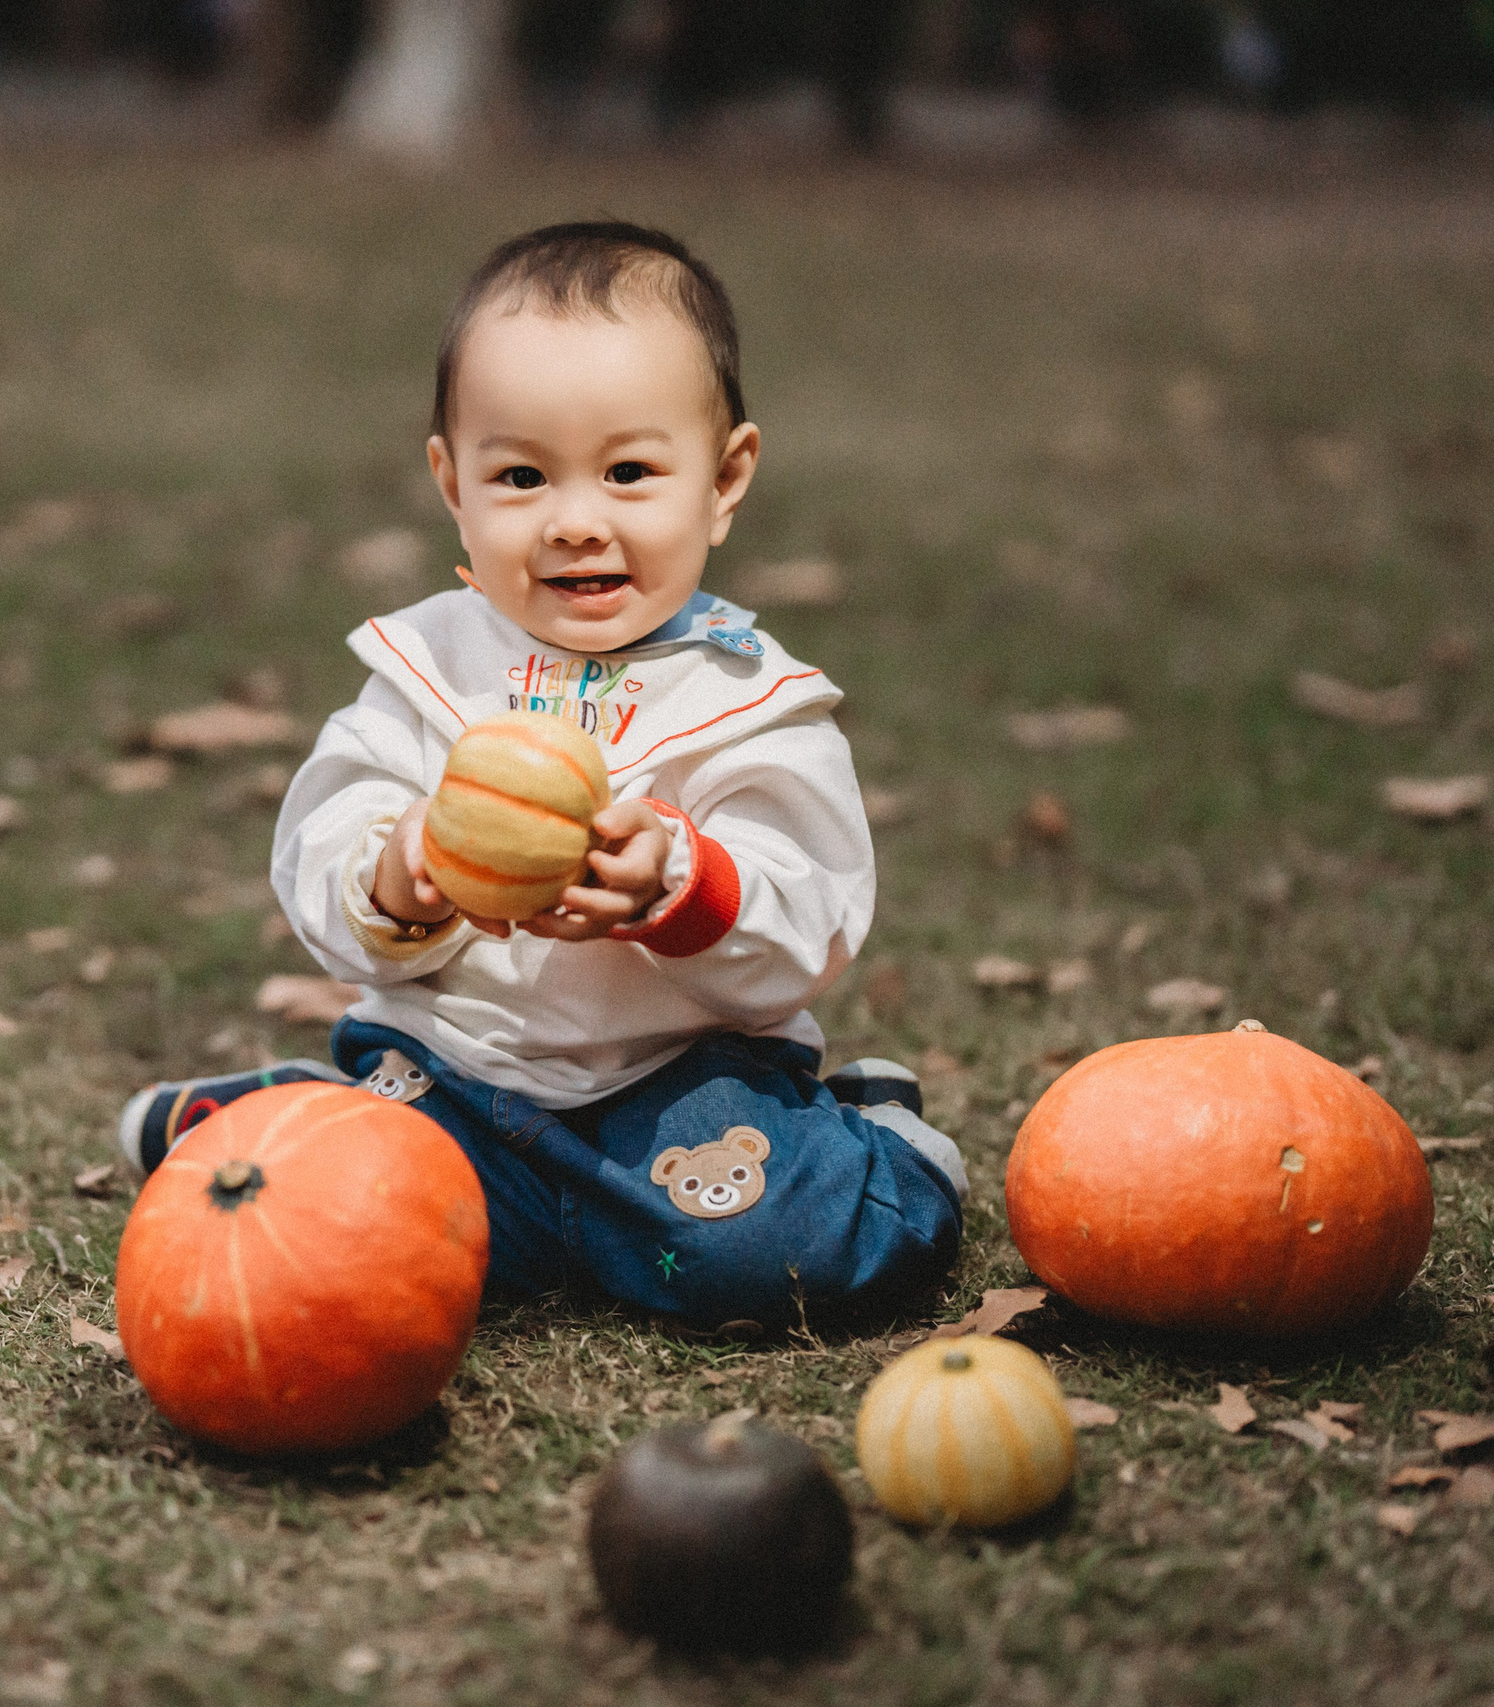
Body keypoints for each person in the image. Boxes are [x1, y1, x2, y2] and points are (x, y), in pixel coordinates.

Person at [116, 222, 964, 1330]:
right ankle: (303, 1119)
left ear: (724, 479)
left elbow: (813, 917)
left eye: (628, 472)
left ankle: (877, 1143)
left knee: (770, 1255)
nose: (574, 521)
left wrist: (684, 885)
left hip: (677, 1091)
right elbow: (323, 844)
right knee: (334, 1237)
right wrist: (397, 867)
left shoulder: (751, 703)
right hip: (453, 1076)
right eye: (520, 475)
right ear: (450, 483)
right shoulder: (429, 673)